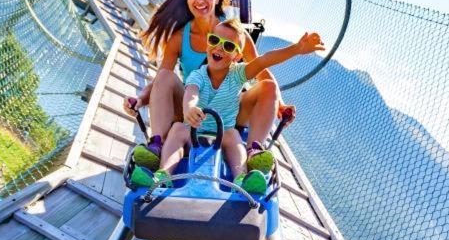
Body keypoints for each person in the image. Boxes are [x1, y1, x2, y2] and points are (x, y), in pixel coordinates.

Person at [124, 0, 297, 174]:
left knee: (269, 86)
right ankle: (156, 145)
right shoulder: (179, 38)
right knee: (167, 75)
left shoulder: (235, 33)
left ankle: (254, 152)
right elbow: (162, 79)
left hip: (227, 109)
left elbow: (261, 71)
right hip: (191, 107)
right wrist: (140, 99)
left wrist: (280, 103)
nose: (199, 0)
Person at [131, 19, 324, 193]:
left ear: (237, 56)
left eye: (228, 46)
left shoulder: (238, 74)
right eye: (215, 41)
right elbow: (191, 93)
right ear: (209, 42)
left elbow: (265, 59)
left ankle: (242, 177)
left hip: (223, 133)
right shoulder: (199, 75)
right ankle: (162, 174)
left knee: (234, 138)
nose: (219, 48)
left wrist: (297, 49)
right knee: (177, 129)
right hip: (193, 131)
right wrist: (189, 108)